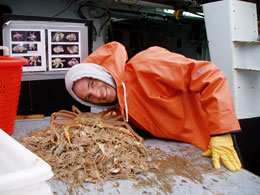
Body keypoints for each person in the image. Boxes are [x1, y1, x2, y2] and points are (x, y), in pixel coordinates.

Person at [65, 41, 242, 172]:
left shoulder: (147, 64)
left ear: (101, 73)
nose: (96, 93)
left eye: (92, 83)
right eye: (89, 97)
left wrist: (222, 132)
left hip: (214, 143)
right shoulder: (122, 107)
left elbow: (210, 76)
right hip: (188, 154)